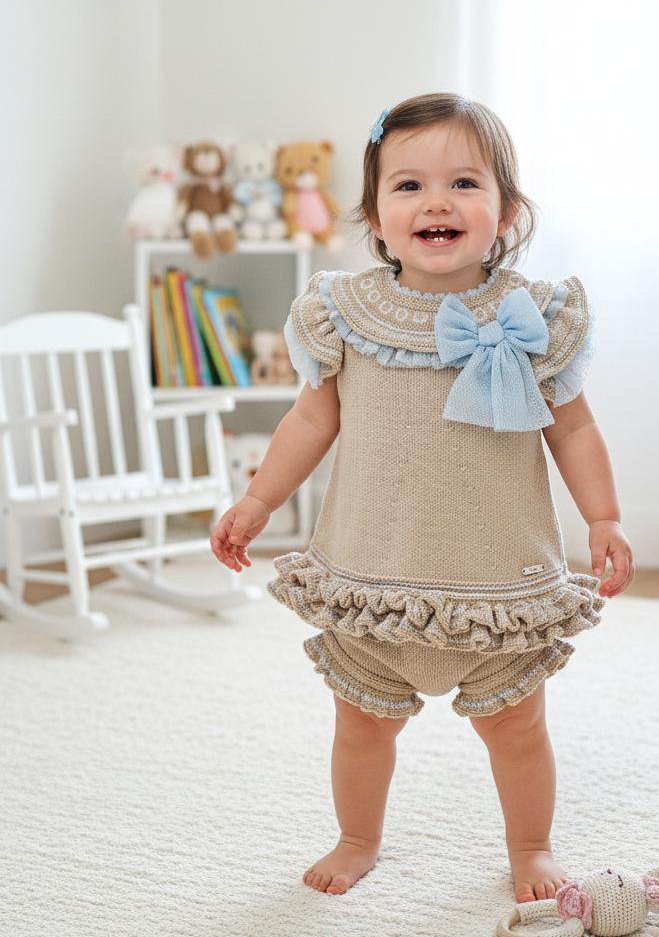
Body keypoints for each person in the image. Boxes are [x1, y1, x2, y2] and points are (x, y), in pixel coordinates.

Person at [211, 93, 635, 903]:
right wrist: (260, 500)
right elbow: (311, 418)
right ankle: (358, 837)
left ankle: (532, 847)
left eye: (464, 183)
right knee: (361, 724)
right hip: (372, 579)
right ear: (375, 214)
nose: (436, 202)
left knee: (516, 726)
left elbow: (575, 429)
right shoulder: (344, 313)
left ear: (506, 211)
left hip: (498, 587)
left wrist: (603, 516)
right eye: (408, 186)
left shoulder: (531, 317)